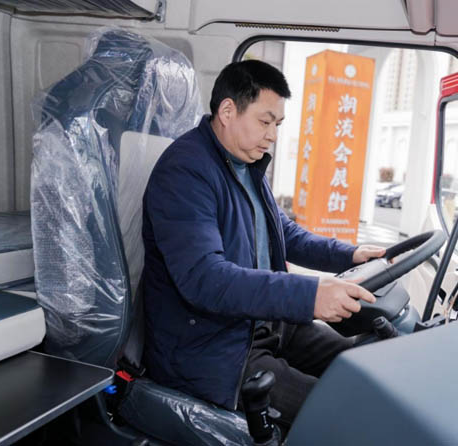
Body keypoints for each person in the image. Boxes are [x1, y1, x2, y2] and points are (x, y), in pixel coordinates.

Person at [141, 59, 385, 429]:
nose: (272, 135)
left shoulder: (245, 164)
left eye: (277, 125)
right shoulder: (185, 171)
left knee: (365, 372)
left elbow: (282, 233)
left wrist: (349, 254)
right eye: (265, 121)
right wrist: (310, 295)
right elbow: (205, 279)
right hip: (211, 347)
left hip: (262, 325)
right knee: (343, 415)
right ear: (228, 111)